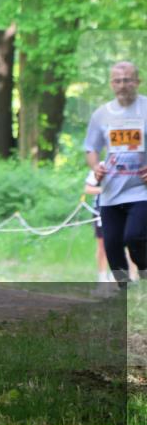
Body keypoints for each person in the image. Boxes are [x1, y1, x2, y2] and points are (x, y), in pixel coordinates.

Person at [84, 61, 147, 286]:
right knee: (111, 246)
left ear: (137, 82)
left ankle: (143, 271)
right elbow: (91, 148)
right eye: (118, 81)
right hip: (111, 192)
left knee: (135, 236)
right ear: (111, 84)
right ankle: (125, 292)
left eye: (127, 80)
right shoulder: (102, 114)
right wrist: (95, 167)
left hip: (141, 190)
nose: (123, 85)